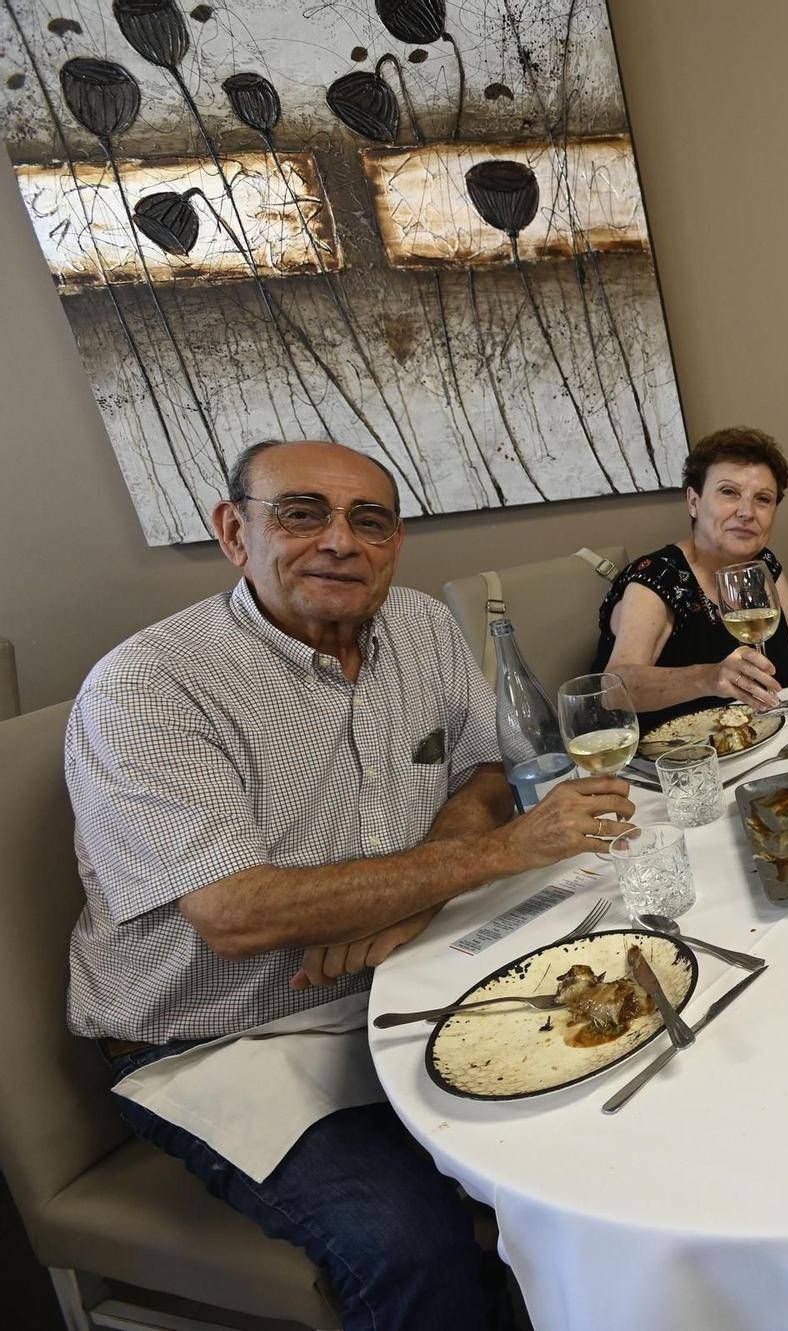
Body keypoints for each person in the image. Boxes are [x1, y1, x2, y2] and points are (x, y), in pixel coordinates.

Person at [68, 439, 637, 1331]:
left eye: (369, 520)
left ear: (394, 542)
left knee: (611, 1109)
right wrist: (493, 855)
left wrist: (411, 898)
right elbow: (234, 913)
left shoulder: (420, 626)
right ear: (234, 531)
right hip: (221, 1040)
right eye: (302, 513)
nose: (340, 540)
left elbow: (483, 771)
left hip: (400, 977)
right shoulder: (149, 688)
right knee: (411, 1244)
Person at [593, 426, 788, 729]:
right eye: (729, 492)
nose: (747, 512)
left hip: (753, 737)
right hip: (662, 752)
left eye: (763, 499)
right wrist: (708, 677)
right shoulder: (657, 576)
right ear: (693, 501)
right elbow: (614, 688)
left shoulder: (761, 565)